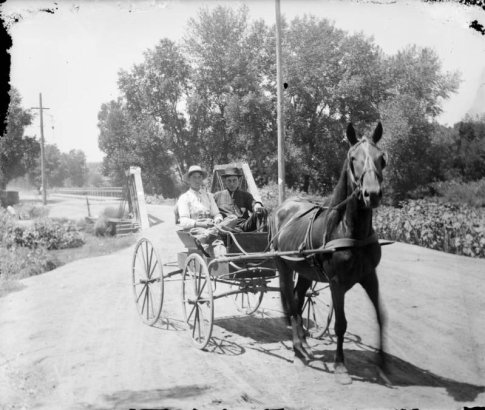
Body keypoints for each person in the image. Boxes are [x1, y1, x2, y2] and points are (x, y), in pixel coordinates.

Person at [177, 165, 236, 256]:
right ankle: (209, 234)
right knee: (212, 241)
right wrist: (201, 223)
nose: (197, 180)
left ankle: (210, 236)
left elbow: (217, 214)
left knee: (232, 218)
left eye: (199, 177)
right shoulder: (184, 198)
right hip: (195, 231)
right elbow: (184, 222)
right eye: (194, 177)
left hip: (211, 230)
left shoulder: (208, 196)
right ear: (189, 179)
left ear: (202, 179)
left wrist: (217, 220)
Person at [214, 167, 268, 232]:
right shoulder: (217, 196)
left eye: (234, 180)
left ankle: (263, 238)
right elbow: (212, 212)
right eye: (229, 180)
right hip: (226, 226)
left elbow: (253, 204)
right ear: (225, 181)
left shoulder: (246, 195)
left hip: (244, 225)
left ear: (238, 181)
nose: (232, 183)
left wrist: (257, 205)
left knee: (262, 211)